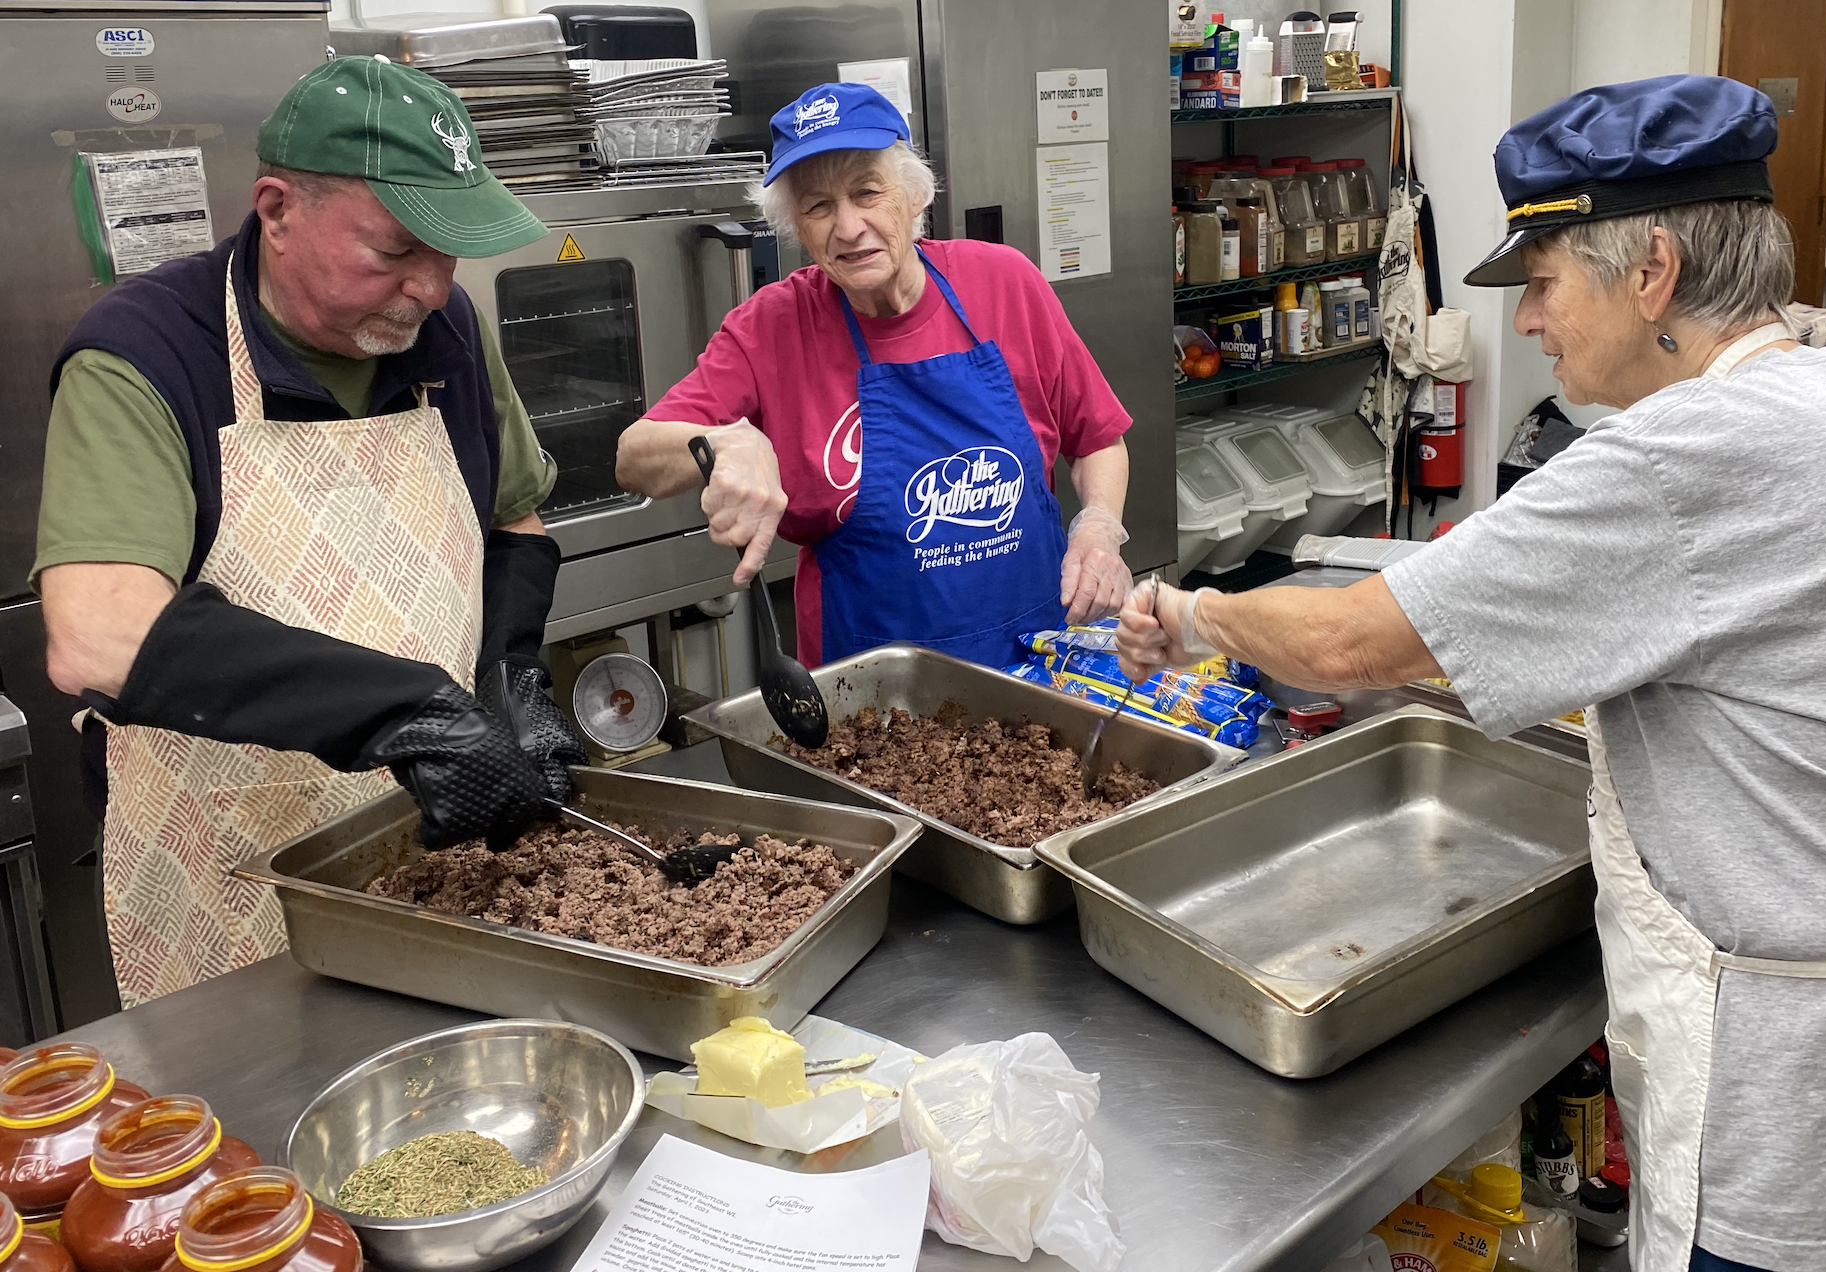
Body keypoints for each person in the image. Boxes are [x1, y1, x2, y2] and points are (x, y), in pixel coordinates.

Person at [1117, 76, 1826, 1272]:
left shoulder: (1683, 456)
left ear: (1650, 270)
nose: (1526, 324)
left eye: (1544, 283)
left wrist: (1197, 615)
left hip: (1805, 1081)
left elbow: (1354, 643)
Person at [36, 57, 586, 1006]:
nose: (427, 287)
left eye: (448, 254)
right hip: (237, 866)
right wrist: (404, 712)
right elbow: (96, 633)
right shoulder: (145, 354)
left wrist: (512, 676)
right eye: (393, 251)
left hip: (432, 835)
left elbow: (513, 518)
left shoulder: (446, 332)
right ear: (277, 207)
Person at [615, 82, 1134, 669]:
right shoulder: (771, 328)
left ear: (913, 196)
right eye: (818, 206)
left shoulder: (1003, 283)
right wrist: (722, 440)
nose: (849, 226)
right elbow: (634, 459)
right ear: (796, 228)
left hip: (1039, 656)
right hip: (873, 692)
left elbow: (1098, 440)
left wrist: (1097, 527)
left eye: (867, 192)